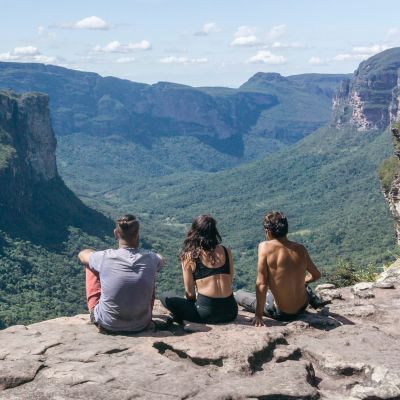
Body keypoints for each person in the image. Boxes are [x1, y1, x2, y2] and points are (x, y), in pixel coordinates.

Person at [78, 214, 164, 332]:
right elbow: (161, 259)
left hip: (107, 323)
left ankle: (99, 309)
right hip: (142, 324)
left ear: (115, 233)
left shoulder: (104, 257)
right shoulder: (151, 258)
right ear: (137, 234)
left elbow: (82, 256)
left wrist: (92, 253)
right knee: (151, 270)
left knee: (90, 264)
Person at [235, 211, 322, 326]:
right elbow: (316, 275)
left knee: (239, 294)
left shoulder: (265, 247)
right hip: (302, 306)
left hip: (283, 313)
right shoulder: (300, 248)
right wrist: (303, 281)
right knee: (301, 284)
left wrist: (258, 316)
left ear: (268, 231)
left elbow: (261, 284)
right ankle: (313, 298)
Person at [160, 214, 238, 324]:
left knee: (166, 296)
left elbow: (190, 293)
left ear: (194, 232)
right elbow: (229, 281)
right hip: (231, 312)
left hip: (206, 313)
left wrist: (195, 302)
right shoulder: (226, 251)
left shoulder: (189, 256)